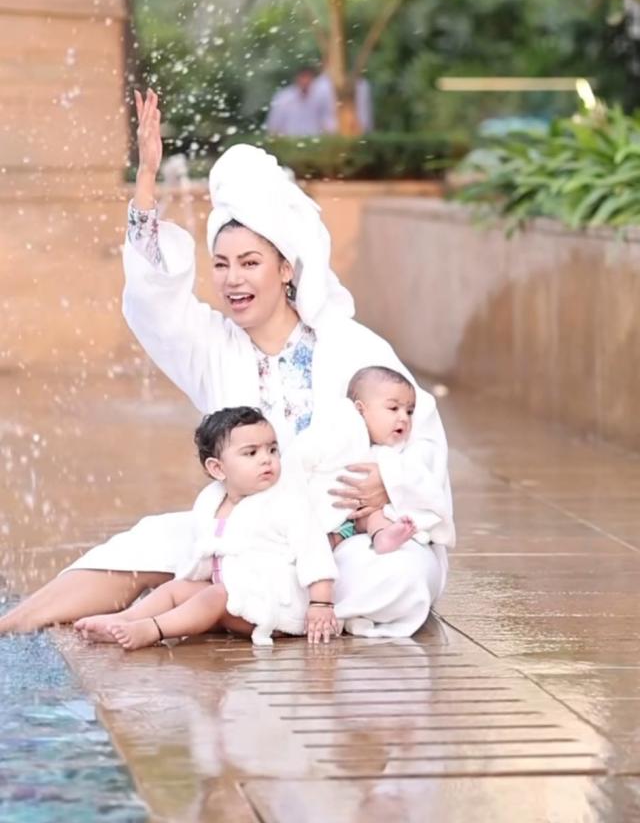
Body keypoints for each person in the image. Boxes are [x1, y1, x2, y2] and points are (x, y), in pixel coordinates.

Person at [0, 87, 453, 640]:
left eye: (250, 262)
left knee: (402, 576)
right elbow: (153, 301)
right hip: (246, 532)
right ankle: (13, 625)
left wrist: (389, 484)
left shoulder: (351, 346)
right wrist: (147, 181)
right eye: (221, 264)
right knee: (151, 541)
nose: (233, 279)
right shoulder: (212, 344)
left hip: (339, 545)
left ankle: (234, 604)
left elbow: (420, 441)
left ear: (286, 269)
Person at [74, 407, 339, 649]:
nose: (266, 460)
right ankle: (123, 619)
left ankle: (153, 629)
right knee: (175, 589)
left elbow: (314, 553)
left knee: (216, 595)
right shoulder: (211, 501)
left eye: (272, 450)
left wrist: (320, 604)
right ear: (217, 468)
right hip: (230, 599)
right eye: (251, 453)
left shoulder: (287, 503)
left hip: (273, 608)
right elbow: (205, 556)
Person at [289, 366, 455, 555]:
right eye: (393, 408)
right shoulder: (342, 429)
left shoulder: (388, 450)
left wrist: (390, 476)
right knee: (317, 546)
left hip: (356, 520)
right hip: (329, 508)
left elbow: (416, 474)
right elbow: (305, 453)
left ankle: (383, 536)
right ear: (361, 409)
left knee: (380, 515)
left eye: (409, 411)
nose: (404, 417)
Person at [265, 66, 335, 136]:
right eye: (303, 77)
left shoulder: (319, 98)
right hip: (289, 141)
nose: (305, 81)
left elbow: (327, 122)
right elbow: (274, 125)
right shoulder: (283, 98)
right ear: (297, 78)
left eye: (308, 78)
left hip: (313, 140)